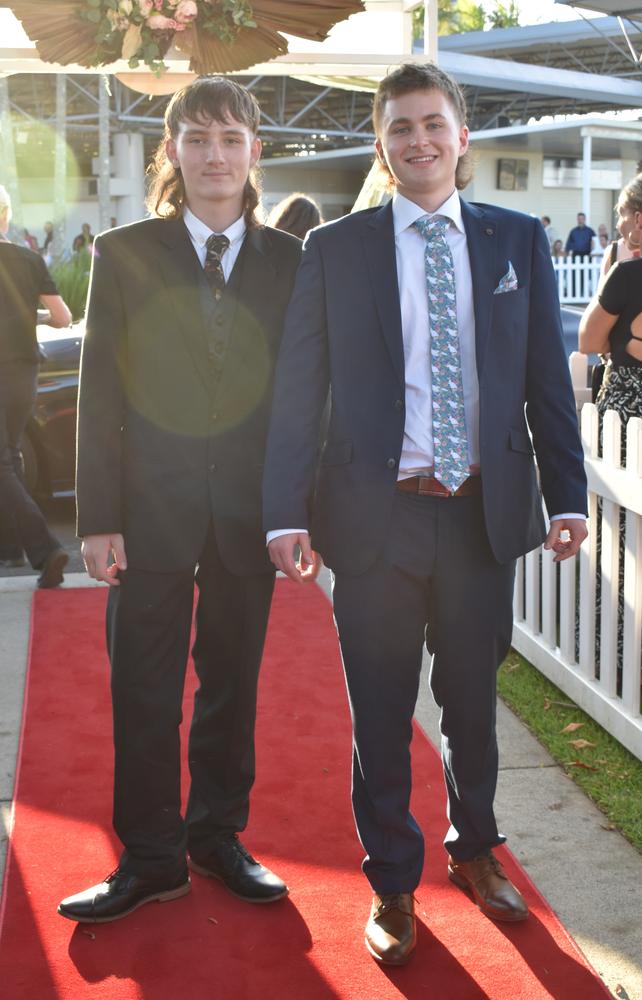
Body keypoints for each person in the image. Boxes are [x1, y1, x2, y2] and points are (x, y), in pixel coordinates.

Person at [263, 62, 588, 966]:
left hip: (482, 515)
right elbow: (300, 390)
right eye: (400, 127)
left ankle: (477, 849)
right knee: (378, 711)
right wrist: (284, 512)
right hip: (374, 518)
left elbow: (544, 391)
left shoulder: (518, 241)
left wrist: (567, 495)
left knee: (474, 703)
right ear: (382, 142)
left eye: (433, 123)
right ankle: (394, 885)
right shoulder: (336, 247)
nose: (419, 140)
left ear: (462, 137)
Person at [58, 77, 302, 924]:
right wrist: (97, 518)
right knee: (145, 691)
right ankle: (152, 857)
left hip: (248, 519)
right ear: (171, 151)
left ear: (254, 151)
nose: (214, 156)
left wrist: (293, 511)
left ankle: (218, 836)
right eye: (196, 139)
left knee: (233, 684)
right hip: (147, 513)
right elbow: (99, 393)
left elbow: (304, 398)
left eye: (230, 138)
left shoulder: (290, 261)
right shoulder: (123, 252)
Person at [579, 170, 642, 685]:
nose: (620, 222)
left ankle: (621, 657)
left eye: (624, 212)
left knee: (620, 539)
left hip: (630, 413)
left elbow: (587, 339)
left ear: (639, 218)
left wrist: (618, 268)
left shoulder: (630, 276)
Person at [0, 185, 71, 586]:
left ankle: (46, 550)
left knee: (2, 461)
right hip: (23, 371)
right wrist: (32, 316)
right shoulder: (28, 259)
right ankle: (8, 548)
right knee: (9, 456)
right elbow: (62, 316)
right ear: (5, 216)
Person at [566, 212, 596, 298]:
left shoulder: (590, 231)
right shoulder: (573, 231)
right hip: (576, 255)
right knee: (574, 275)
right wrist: (567, 254)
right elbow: (568, 245)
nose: (580, 220)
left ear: (584, 219)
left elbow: (594, 243)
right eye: (579, 219)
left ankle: (582, 294)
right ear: (577, 219)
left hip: (586, 255)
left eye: (582, 218)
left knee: (584, 275)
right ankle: (573, 294)